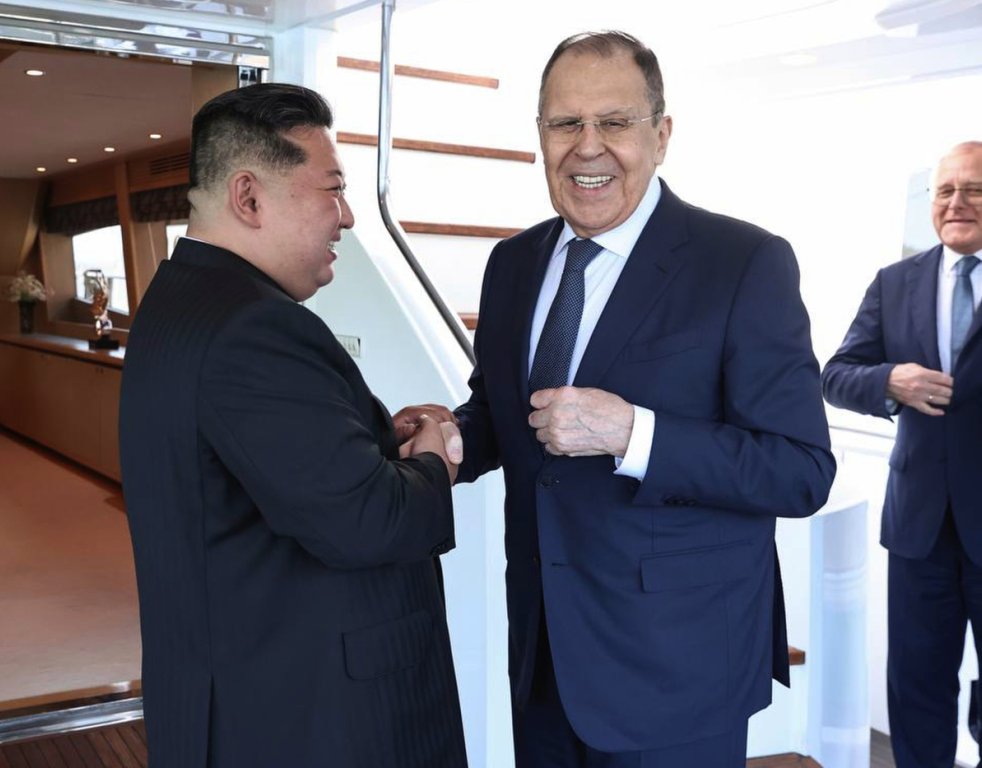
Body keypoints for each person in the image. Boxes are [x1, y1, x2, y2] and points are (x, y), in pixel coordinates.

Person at [405, 30, 837, 767]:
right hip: (544, 654)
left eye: (614, 121)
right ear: (540, 135)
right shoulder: (512, 262)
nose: (587, 146)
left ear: (661, 136)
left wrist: (636, 434)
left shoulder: (744, 262)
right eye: (565, 123)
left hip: (678, 666)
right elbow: (506, 411)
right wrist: (453, 440)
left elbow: (800, 470)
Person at [119, 83, 467, 768]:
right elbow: (367, 521)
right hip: (306, 716)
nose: (348, 217)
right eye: (333, 190)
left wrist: (373, 442)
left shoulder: (176, 302)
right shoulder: (257, 326)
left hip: (229, 689)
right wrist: (435, 460)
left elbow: (265, 468)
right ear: (248, 198)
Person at [822, 141, 982, 768]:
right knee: (917, 688)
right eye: (945, 190)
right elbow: (836, 375)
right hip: (920, 527)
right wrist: (890, 381)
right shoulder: (895, 282)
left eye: (974, 189)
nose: (957, 202)